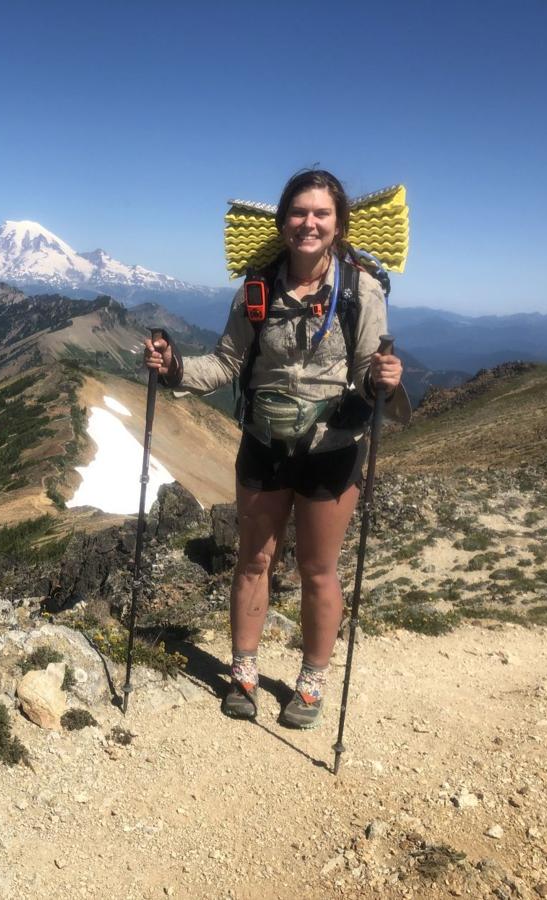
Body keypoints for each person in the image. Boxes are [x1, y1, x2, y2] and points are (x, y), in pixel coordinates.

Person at [144, 169, 408, 729]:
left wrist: (385, 377)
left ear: (338, 225)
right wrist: (173, 370)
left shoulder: (361, 290)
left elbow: (365, 372)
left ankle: (310, 682)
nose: (308, 223)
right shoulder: (256, 290)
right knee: (253, 560)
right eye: (299, 212)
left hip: (334, 446)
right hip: (264, 442)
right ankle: (244, 672)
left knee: (318, 569)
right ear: (282, 220)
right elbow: (227, 363)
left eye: (321, 214)